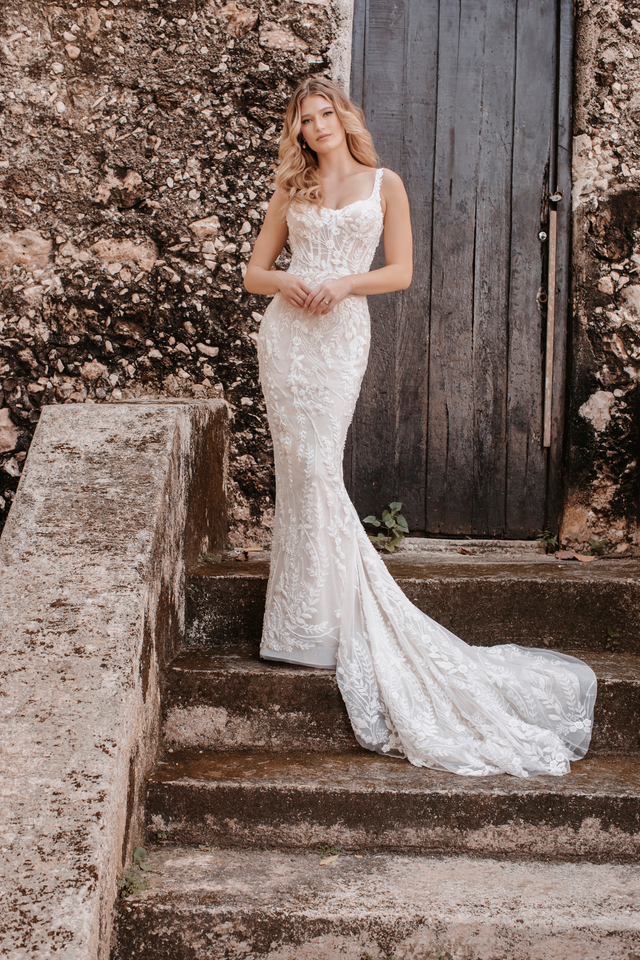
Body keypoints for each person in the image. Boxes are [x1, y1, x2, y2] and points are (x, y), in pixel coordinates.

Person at [244, 76, 596, 777]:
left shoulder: (385, 184)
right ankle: (299, 628)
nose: (316, 128)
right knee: (298, 472)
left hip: (340, 334)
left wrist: (342, 283)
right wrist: (295, 281)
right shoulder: (293, 188)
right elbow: (255, 273)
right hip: (286, 338)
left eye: (324, 115)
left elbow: (401, 272)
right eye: (304, 121)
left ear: (345, 117)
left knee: (319, 466)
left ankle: (337, 621)